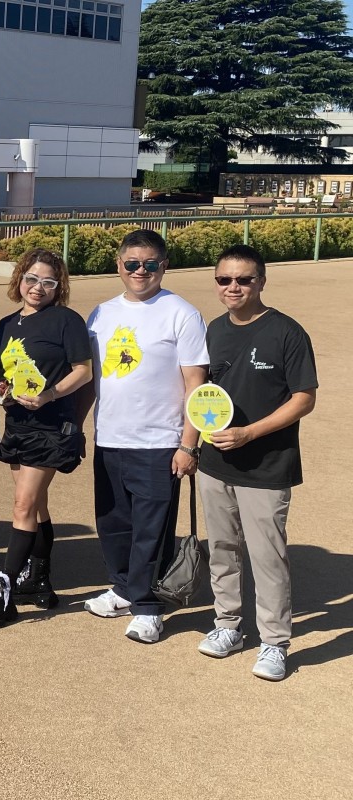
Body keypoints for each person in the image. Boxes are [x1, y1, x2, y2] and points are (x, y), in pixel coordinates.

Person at [195, 244, 317, 681]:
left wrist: (249, 433)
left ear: (261, 282)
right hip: (214, 462)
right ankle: (228, 625)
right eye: (224, 279)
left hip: (267, 466)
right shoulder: (213, 330)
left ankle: (274, 643)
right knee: (222, 550)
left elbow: (304, 399)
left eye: (244, 279)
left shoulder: (287, 332)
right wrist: (192, 446)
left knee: (268, 557)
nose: (233, 287)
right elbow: (200, 393)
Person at [85, 229, 208, 644]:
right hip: (110, 438)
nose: (141, 271)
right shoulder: (100, 314)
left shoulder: (181, 313)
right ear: (119, 265)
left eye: (150, 264)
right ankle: (124, 588)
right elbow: (91, 379)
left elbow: (195, 383)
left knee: (152, 529)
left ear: (164, 266)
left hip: (160, 442)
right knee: (113, 523)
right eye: (133, 264)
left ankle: (149, 606)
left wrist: (189, 443)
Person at [0, 248, 92, 628]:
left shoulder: (66, 321)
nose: (38, 287)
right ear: (19, 279)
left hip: (51, 425)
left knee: (22, 505)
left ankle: (4, 584)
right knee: (36, 506)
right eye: (32, 279)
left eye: (48, 282)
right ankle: (38, 578)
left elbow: (83, 371)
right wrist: (3, 396)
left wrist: (50, 394)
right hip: (18, 423)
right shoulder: (7, 324)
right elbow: (2, 374)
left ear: (59, 286)